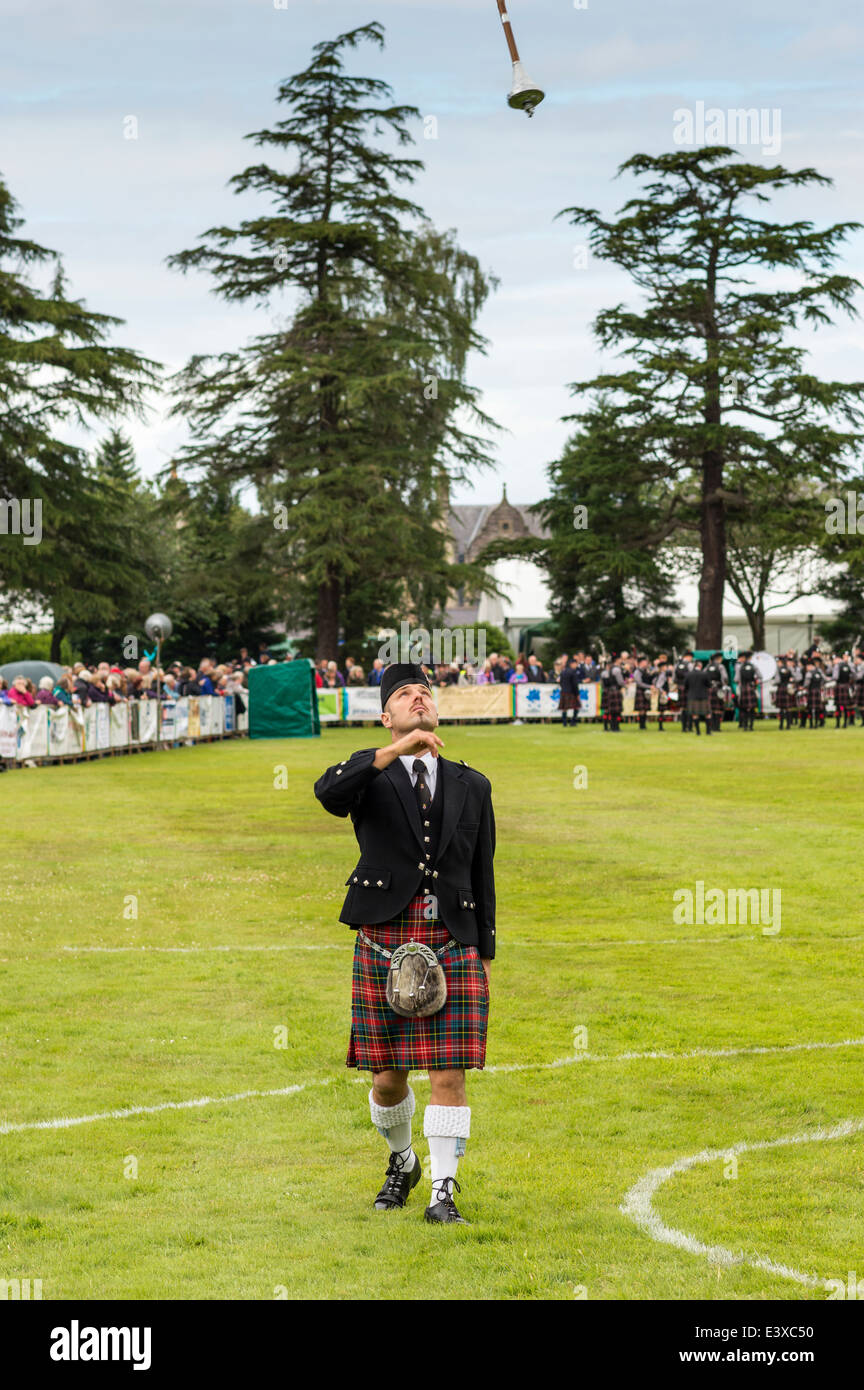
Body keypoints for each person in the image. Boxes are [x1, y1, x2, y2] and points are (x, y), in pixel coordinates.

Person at [313, 662, 495, 1226]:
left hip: (452, 935)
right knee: (388, 1077)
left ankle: (444, 1191)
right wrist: (396, 750)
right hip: (385, 934)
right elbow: (328, 793)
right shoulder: (369, 775)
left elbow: (482, 868)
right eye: (405, 697)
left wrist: (486, 949)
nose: (419, 700)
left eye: (426, 694)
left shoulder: (472, 783)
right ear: (385, 716)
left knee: (448, 1071)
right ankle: (402, 1161)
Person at [684, 660, 712, 736]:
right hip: (703, 696)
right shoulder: (704, 674)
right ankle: (708, 732)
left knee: (695, 715)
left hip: (692, 696)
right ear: (700, 666)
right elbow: (709, 685)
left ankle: (698, 732)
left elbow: (685, 686)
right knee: (707, 714)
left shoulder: (688, 674)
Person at [736, 652, 759, 731]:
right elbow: (760, 676)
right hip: (752, 688)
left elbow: (736, 679)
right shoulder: (753, 666)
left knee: (744, 708)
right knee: (752, 708)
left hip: (743, 688)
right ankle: (751, 726)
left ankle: (745, 726)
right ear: (750, 658)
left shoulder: (740, 667)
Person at [558, 656, 581, 728]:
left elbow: (560, 682)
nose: (576, 665)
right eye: (576, 664)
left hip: (564, 691)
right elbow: (575, 684)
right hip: (571, 692)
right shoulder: (573, 671)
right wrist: (577, 694)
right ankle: (573, 722)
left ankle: (564, 723)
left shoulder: (563, 671)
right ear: (572, 664)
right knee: (576, 707)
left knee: (564, 708)